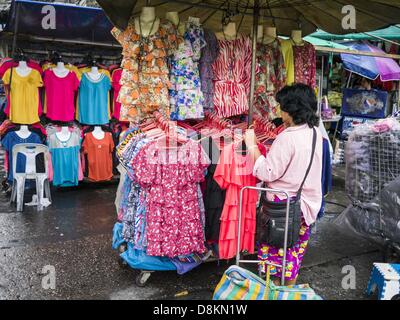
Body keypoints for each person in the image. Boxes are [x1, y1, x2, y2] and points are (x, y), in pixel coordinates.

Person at [244, 83, 323, 285]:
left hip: (282, 210)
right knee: (292, 256)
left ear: (291, 109)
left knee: (274, 262)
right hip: (305, 206)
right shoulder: (314, 132)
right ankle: (288, 293)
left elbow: (268, 172)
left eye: (281, 106)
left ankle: (275, 294)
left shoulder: (287, 138)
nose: (279, 110)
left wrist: (252, 145)